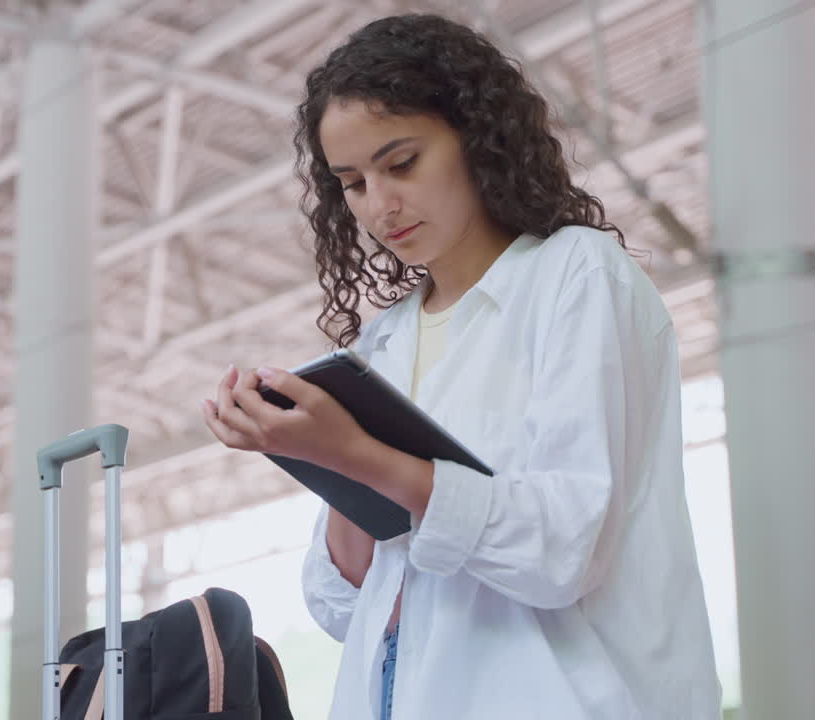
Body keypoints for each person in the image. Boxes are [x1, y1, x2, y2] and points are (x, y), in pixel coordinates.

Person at [200, 13, 721, 720]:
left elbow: (562, 549)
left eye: (402, 163)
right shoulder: (386, 343)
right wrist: (320, 456)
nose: (379, 205)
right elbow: (347, 606)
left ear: (477, 137)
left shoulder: (575, 275)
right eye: (351, 183)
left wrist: (359, 453)